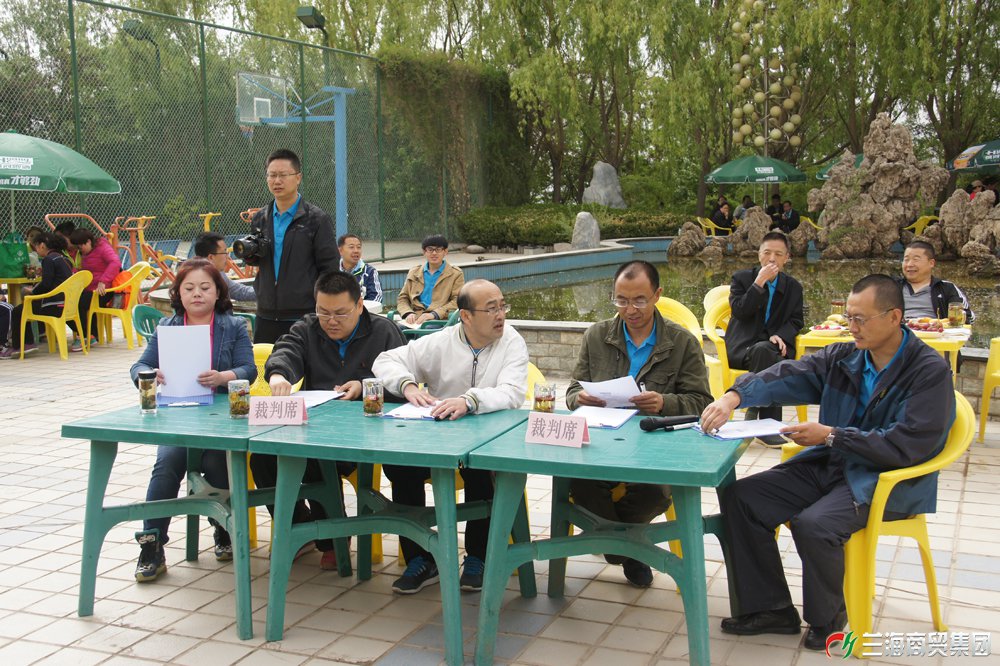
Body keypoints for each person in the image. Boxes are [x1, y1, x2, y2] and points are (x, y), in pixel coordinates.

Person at [700, 274, 954, 651]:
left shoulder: (928, 371)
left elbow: (908, 444)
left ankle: (828, 618)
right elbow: (790, 373)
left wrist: (833, 435)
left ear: (894, 317)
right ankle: (769, 609)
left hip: (885, 479)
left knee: (815, 524)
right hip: (833, 462)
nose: (852, 327)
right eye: (849, 317)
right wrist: (734, 396)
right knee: (743, 497)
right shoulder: (844, 357)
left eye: (860, 319)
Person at [373, 279, 527, 594]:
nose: (501, 315)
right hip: (439, 438)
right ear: (466, 316)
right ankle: (420, 558)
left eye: (502, 306)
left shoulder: (511, 342)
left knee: (482, 470)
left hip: (489, 438)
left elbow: (512, 392)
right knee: (400, 466)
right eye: (491, 309)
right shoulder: (441, 341)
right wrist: (407, 385)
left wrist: (469, 401)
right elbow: (385, 361)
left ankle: (478, 557)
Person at [565, 260, 713, 587]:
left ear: (657, 295)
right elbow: (573, 389)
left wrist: (664, 403)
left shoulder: (682, 342)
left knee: (655, 493)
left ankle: (619, 547)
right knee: (578, 481)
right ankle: (630, 550)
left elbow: (702, 402)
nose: (630, 310)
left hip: (655, 445)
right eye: (621, 300)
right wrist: (580, 398)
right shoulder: (597, 335)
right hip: (602, 442)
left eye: (639, 300)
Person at [249, 270, 406, 570]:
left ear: (359, 305)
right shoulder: (308, 328)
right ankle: (301, 528)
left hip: (368, 435)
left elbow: (404, 381)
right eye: (323, 312)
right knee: (263, 458)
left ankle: (333, 540)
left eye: (340, 313)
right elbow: (286, 350)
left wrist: (364, 387)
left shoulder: (384, 332)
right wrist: (279, 374)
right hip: (317, 429)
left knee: (319, 461)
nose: (331, 321)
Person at [129, 258, 256, 582]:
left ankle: (223, 529)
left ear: (218, 292)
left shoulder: (234, 326)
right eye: (189, 288)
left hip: (221, 418)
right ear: (178, 293)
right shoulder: (167, 327)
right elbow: (138, 366)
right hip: (179, 418)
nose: (197, 294)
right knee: (167, 463)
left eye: (204, 287)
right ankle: (152, 545)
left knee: (216, 463)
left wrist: (224, 377)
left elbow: (249, 369)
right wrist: (149, 374)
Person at [247, 149, 340, 344]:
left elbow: (329, 268)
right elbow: (260, 260)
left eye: (283, 175)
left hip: (303, 315)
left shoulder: (316, 219)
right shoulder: (260, 218)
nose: (277, 181)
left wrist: (321, 305)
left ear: (298, 178)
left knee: (303, 363)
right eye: (272, 175)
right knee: (265, 362)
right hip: (266, 314)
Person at [726, 232, 804, 426]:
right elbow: (740, 311)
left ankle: (755, 405)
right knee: (769, 357)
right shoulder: (741, 279)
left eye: (778, 254)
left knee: (767, 352)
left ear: (787, 257)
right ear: (759, 254)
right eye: (767, 252)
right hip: (744, 347)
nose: (772, 258)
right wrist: (758, 283)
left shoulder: (793, 287)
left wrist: (780, 335)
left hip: (776, 346)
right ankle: (770, 425)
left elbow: (796, 321)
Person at [0, 233, 74, 359]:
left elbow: (46, 284)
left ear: (42, 245)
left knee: (18, 310)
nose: (36, 251)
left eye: (36, 247)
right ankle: (28, 342)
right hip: (66, 303)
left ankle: (22, 345)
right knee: (25, 306)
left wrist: (32, 291)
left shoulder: (48, 259)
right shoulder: (63, 258)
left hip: (53, 305)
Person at [68, 228, 121, 352]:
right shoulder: (85, 253)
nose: (80, 250)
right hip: (90, 288)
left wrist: (104, 281)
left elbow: (115, 263)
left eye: (80, 247)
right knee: (74, 301)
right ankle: (91, 335)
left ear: (88, 242)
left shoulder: (102, 247)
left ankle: (85, 336)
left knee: (80, 303)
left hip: (104, 290)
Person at [895, 241, 974, 324]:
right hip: (900, 330)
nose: (909, 264)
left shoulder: (946, 288)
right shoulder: (892, 287)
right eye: (906, 260)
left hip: (935, 330)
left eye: (916, 260)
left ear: (931, 263)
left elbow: (968, 317)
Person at [394, 235, 464, 326]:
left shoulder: (456, 274)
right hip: (415, 318)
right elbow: (403, 298)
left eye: (438, 249)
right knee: (395, 329)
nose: (434, 253)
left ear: (445, 251)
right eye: (430, 249)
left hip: (439, 319)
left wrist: (434, 314)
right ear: (424, 252)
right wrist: (408, 313)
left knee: (428, 329)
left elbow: (457, 301)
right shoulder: (414, 272)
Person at [193, 231, 256, 302]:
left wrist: (264, 292)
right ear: (211, 257)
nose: (227, 257)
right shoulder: (193, 280)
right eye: (224, 252)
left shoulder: (218, 274)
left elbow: (239, 291)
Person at [338, 233, 383, 311]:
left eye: (358, 247)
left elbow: (376, 297)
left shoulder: (370, 272)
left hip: (363, 314)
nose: (356, 251)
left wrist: (357, 312)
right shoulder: (332, 271)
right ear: (340, 251)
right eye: (351, 247)